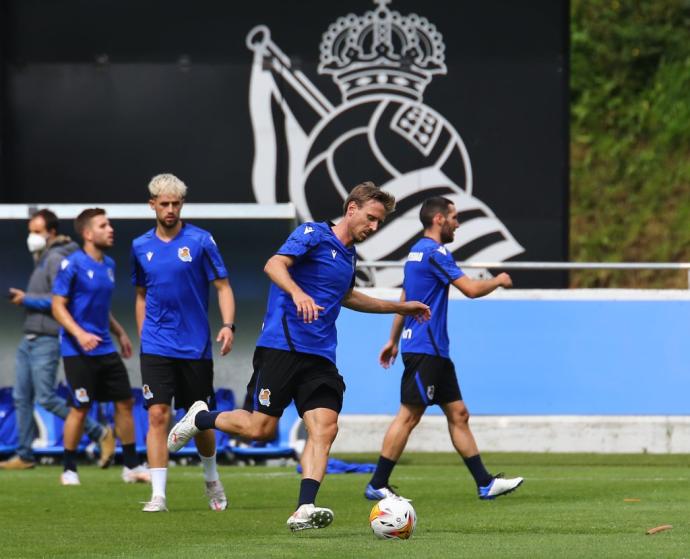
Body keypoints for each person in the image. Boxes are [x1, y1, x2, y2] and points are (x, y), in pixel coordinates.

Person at [167, 182, 431, 531]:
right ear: (351, 209)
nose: (374, 227)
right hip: (282, 346)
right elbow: (274, 265)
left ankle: (304, 508)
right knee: (259, 430)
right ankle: (201, 418)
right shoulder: (313, 234)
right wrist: (298, 293)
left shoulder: (350, 256)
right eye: (371, 218)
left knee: (325, 427)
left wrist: (400, 306)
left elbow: (348, 297)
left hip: (321, 355)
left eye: (379, 222)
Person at [364, 196, 523, 502]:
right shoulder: (435, 252)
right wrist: (499, 279)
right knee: (409, 416)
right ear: (439, 219)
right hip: (425, 349)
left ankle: (484, 483)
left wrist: (393, 340)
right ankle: (378, 483)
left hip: (432, 351)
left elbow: (406, 297)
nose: (457, 223)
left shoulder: (415, 254)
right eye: (454, 217)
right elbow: (471, 290)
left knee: (459, 414)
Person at [130, 173, 236, 513]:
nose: (171, 209)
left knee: (200, 418)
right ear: (153, 206)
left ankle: (211, 478)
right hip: (157, 345)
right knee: (158, 414)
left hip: (195, 345)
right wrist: (144, 334)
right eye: (164, 204)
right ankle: (159, 494)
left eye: (176, 203)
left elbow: (223, 286)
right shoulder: (140, 246)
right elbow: (141, 295)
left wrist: (228, 325)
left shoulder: (202, 240)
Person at [0, 209, 115, 471]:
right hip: (29, 336)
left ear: (51, 232)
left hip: (47, 337)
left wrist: (25, 298)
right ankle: (25, 454)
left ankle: (100, 433)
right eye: (30, 231)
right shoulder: (43, 257)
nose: (32, 236)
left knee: (46, 397)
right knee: (21, 397)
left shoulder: (57, 258)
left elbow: (59, 300)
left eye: (37, 231)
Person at [52, 208, 150, 486]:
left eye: (109, 224)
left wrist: (120, 333)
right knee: (80, 407)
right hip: (77, 349)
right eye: (103, 225)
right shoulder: (71, 264)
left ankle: (130, 465)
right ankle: (69, 469)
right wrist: (80, 334)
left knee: (125, 402)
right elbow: (58, 307)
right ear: (87, 233)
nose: (110, 229)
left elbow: (100, 309)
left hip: (105, 347)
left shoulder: (108, 264)